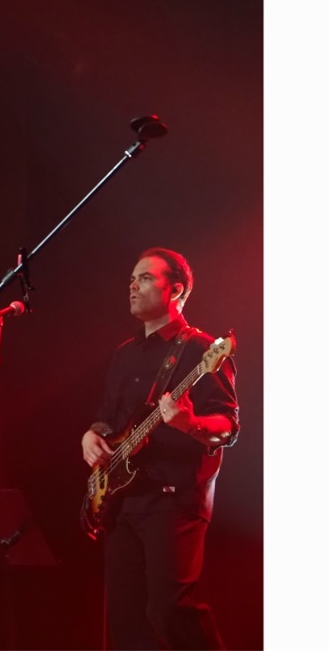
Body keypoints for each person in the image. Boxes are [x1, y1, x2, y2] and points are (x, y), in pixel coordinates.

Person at [80, 247, 239, 650]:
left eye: (146, 278)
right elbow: (108, 418)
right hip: (123, 500)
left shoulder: (200, 350)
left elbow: (228, 427)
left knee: (169, 609)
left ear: (177, 289)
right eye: (132, 278)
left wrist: (190, 423)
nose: (133, 285)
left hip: (174, 498)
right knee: (127, 625)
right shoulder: (124, 354)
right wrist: (91, 436)